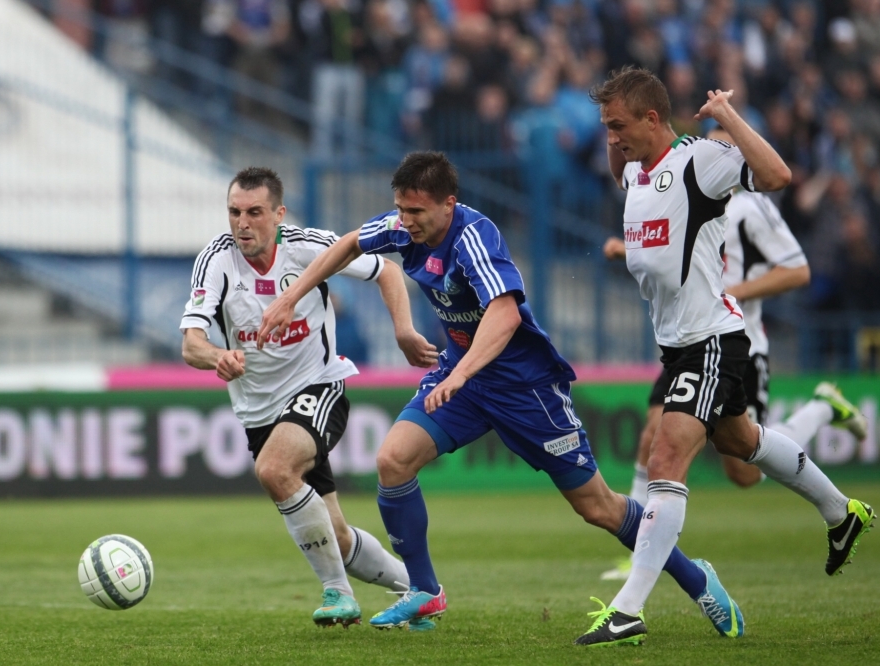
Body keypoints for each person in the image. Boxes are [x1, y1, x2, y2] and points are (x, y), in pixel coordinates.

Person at [257, 151, 747, 640]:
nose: (405, 223)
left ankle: (697, 577)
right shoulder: (405, 227)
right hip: (466, 380)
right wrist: (290, 296)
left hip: (524, 388)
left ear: (449, 204)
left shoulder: (475, 236)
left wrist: (460, 372)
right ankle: (424, 590)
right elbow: (348, 244)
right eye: (400, 211)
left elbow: (506, 313)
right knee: (393, 461)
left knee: (598, 507)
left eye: (417, 213)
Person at [578, 66, 876, 647]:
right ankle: (842, 512)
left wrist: (728, 118)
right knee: (743, 446)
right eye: (605, 127)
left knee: (665, 456)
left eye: (618, 126)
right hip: (679, 345)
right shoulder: (640, 172)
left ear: (653, 119)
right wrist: (617, 153)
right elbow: (636, 197)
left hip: (712, 339)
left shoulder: (698, 160)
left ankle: (629, 608)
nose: (611, 138)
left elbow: (778, 175)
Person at [180, 167, 439, 629]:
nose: (242, 223)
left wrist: (403, 331)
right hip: (260, 414)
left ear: (278, 214)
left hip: (318, 387)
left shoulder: (308, 245)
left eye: (254, 212)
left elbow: (388, 271)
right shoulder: (216, 260)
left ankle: (338, 593)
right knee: (335, 539)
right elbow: (191, 343)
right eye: (235, 212)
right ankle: (417, 591)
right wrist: (217, 357)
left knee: (275, 469)